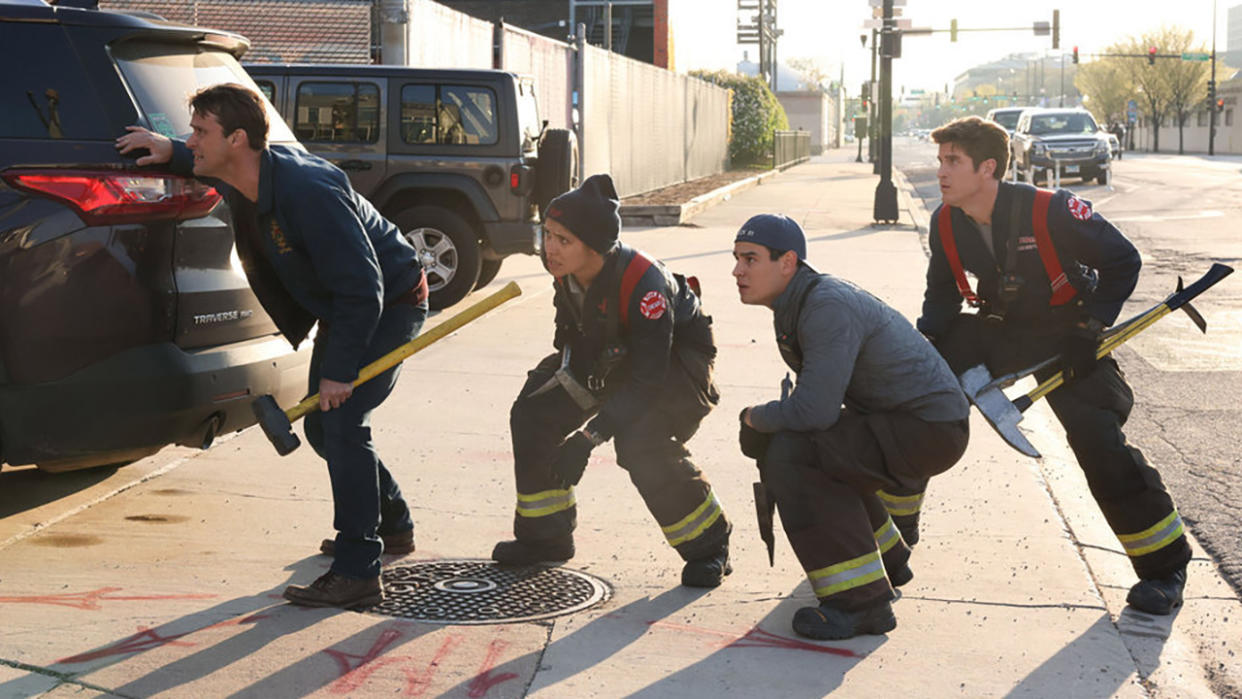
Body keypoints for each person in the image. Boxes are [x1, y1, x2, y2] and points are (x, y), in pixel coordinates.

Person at [116, 83, 428, 609]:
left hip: (387, 305)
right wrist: (171, 150)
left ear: (237, 139)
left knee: (343, 424)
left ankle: (359, 568)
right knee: (323, 429)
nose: (193, 140)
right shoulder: (240, 170)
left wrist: (340, 371)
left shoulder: (308, 191)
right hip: (346, 305)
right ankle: (392, 523)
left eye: (200, 132)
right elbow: (200, 158)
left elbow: (363, 288)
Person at [920, 115, 1191, 615]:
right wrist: (926, 350)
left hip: (1067, 333)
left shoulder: (1052, 210)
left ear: (988, 169)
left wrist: (1090, 328)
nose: (941, 171)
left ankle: (1164, 567)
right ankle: (890, 542)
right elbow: (940, 297)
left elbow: (1123, 261)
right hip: (999, 329)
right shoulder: (945, 221)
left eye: (952, 161)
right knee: (910, 401)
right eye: (940, 161)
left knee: (1096, 438)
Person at [733, 214, 970, 640]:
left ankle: (861, 603)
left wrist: (754, 417)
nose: (737, 271)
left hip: (929, 429)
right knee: (811, 446)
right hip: (906, 422)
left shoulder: (824, 306)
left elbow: (814, 411)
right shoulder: (801, 301)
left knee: (792, 455)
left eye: (750, 259)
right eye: (736, 259)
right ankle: (888, 557)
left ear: (787, 262)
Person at [492, 174, 731, 587]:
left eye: (563, 240)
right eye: (547, 234)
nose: (550, 248)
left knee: (641, 441)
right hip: (609, 356)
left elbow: (646, 383)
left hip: (674, 367)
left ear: (595, 245)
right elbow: (570, 335)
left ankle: (710, 545)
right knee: (533, 413)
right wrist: (572, 376)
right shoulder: (564, 271)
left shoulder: (646, 288)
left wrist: (588, 439)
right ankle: (545, 537)